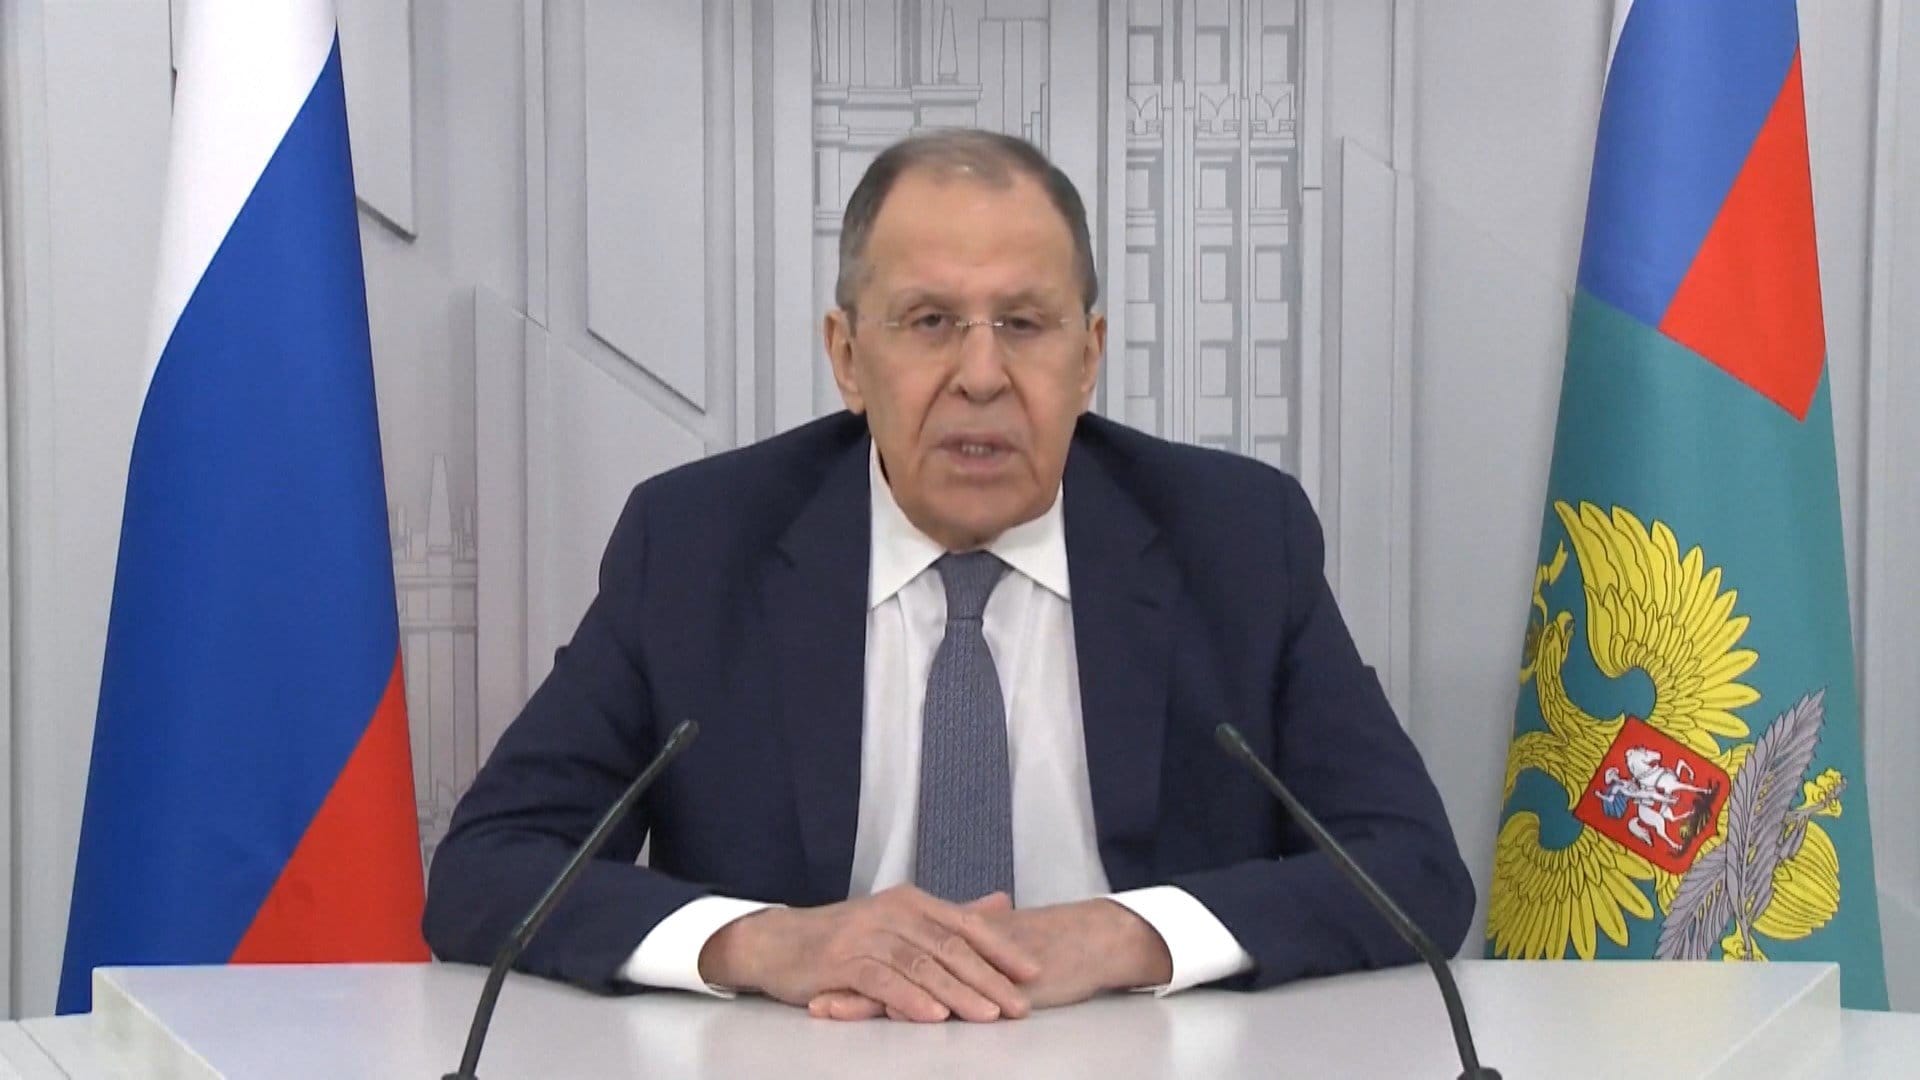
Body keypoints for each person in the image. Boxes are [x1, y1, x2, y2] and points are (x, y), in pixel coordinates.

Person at [423, 129, 1474, 1023]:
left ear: (1088, 355)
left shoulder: (1235, 539)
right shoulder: (699, 544)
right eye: (930, 323)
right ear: (847, 356)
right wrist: (765, 944)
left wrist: (1125, 935)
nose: (981, 376)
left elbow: (1412, 869)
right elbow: (488, 869)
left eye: (1024, 324)